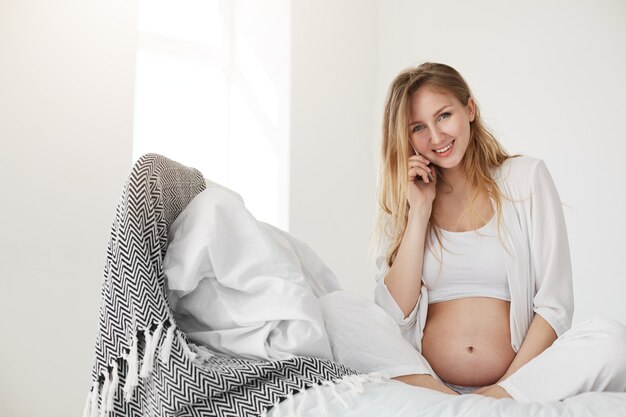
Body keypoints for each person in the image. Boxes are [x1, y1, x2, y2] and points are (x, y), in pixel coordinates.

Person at [320, 62, 626, 403]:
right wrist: (419, 211)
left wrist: (502, 391)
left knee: (613, 339)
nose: (436, 138)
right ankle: (447, 402)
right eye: (418, 127)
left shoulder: (525, 177)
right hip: (430, 380)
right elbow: (392, 316)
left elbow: (554, 307)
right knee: (334, 308)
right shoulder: (408, 195)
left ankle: (490, 405)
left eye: (444, 116)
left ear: (469, 108)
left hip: (515, 383)